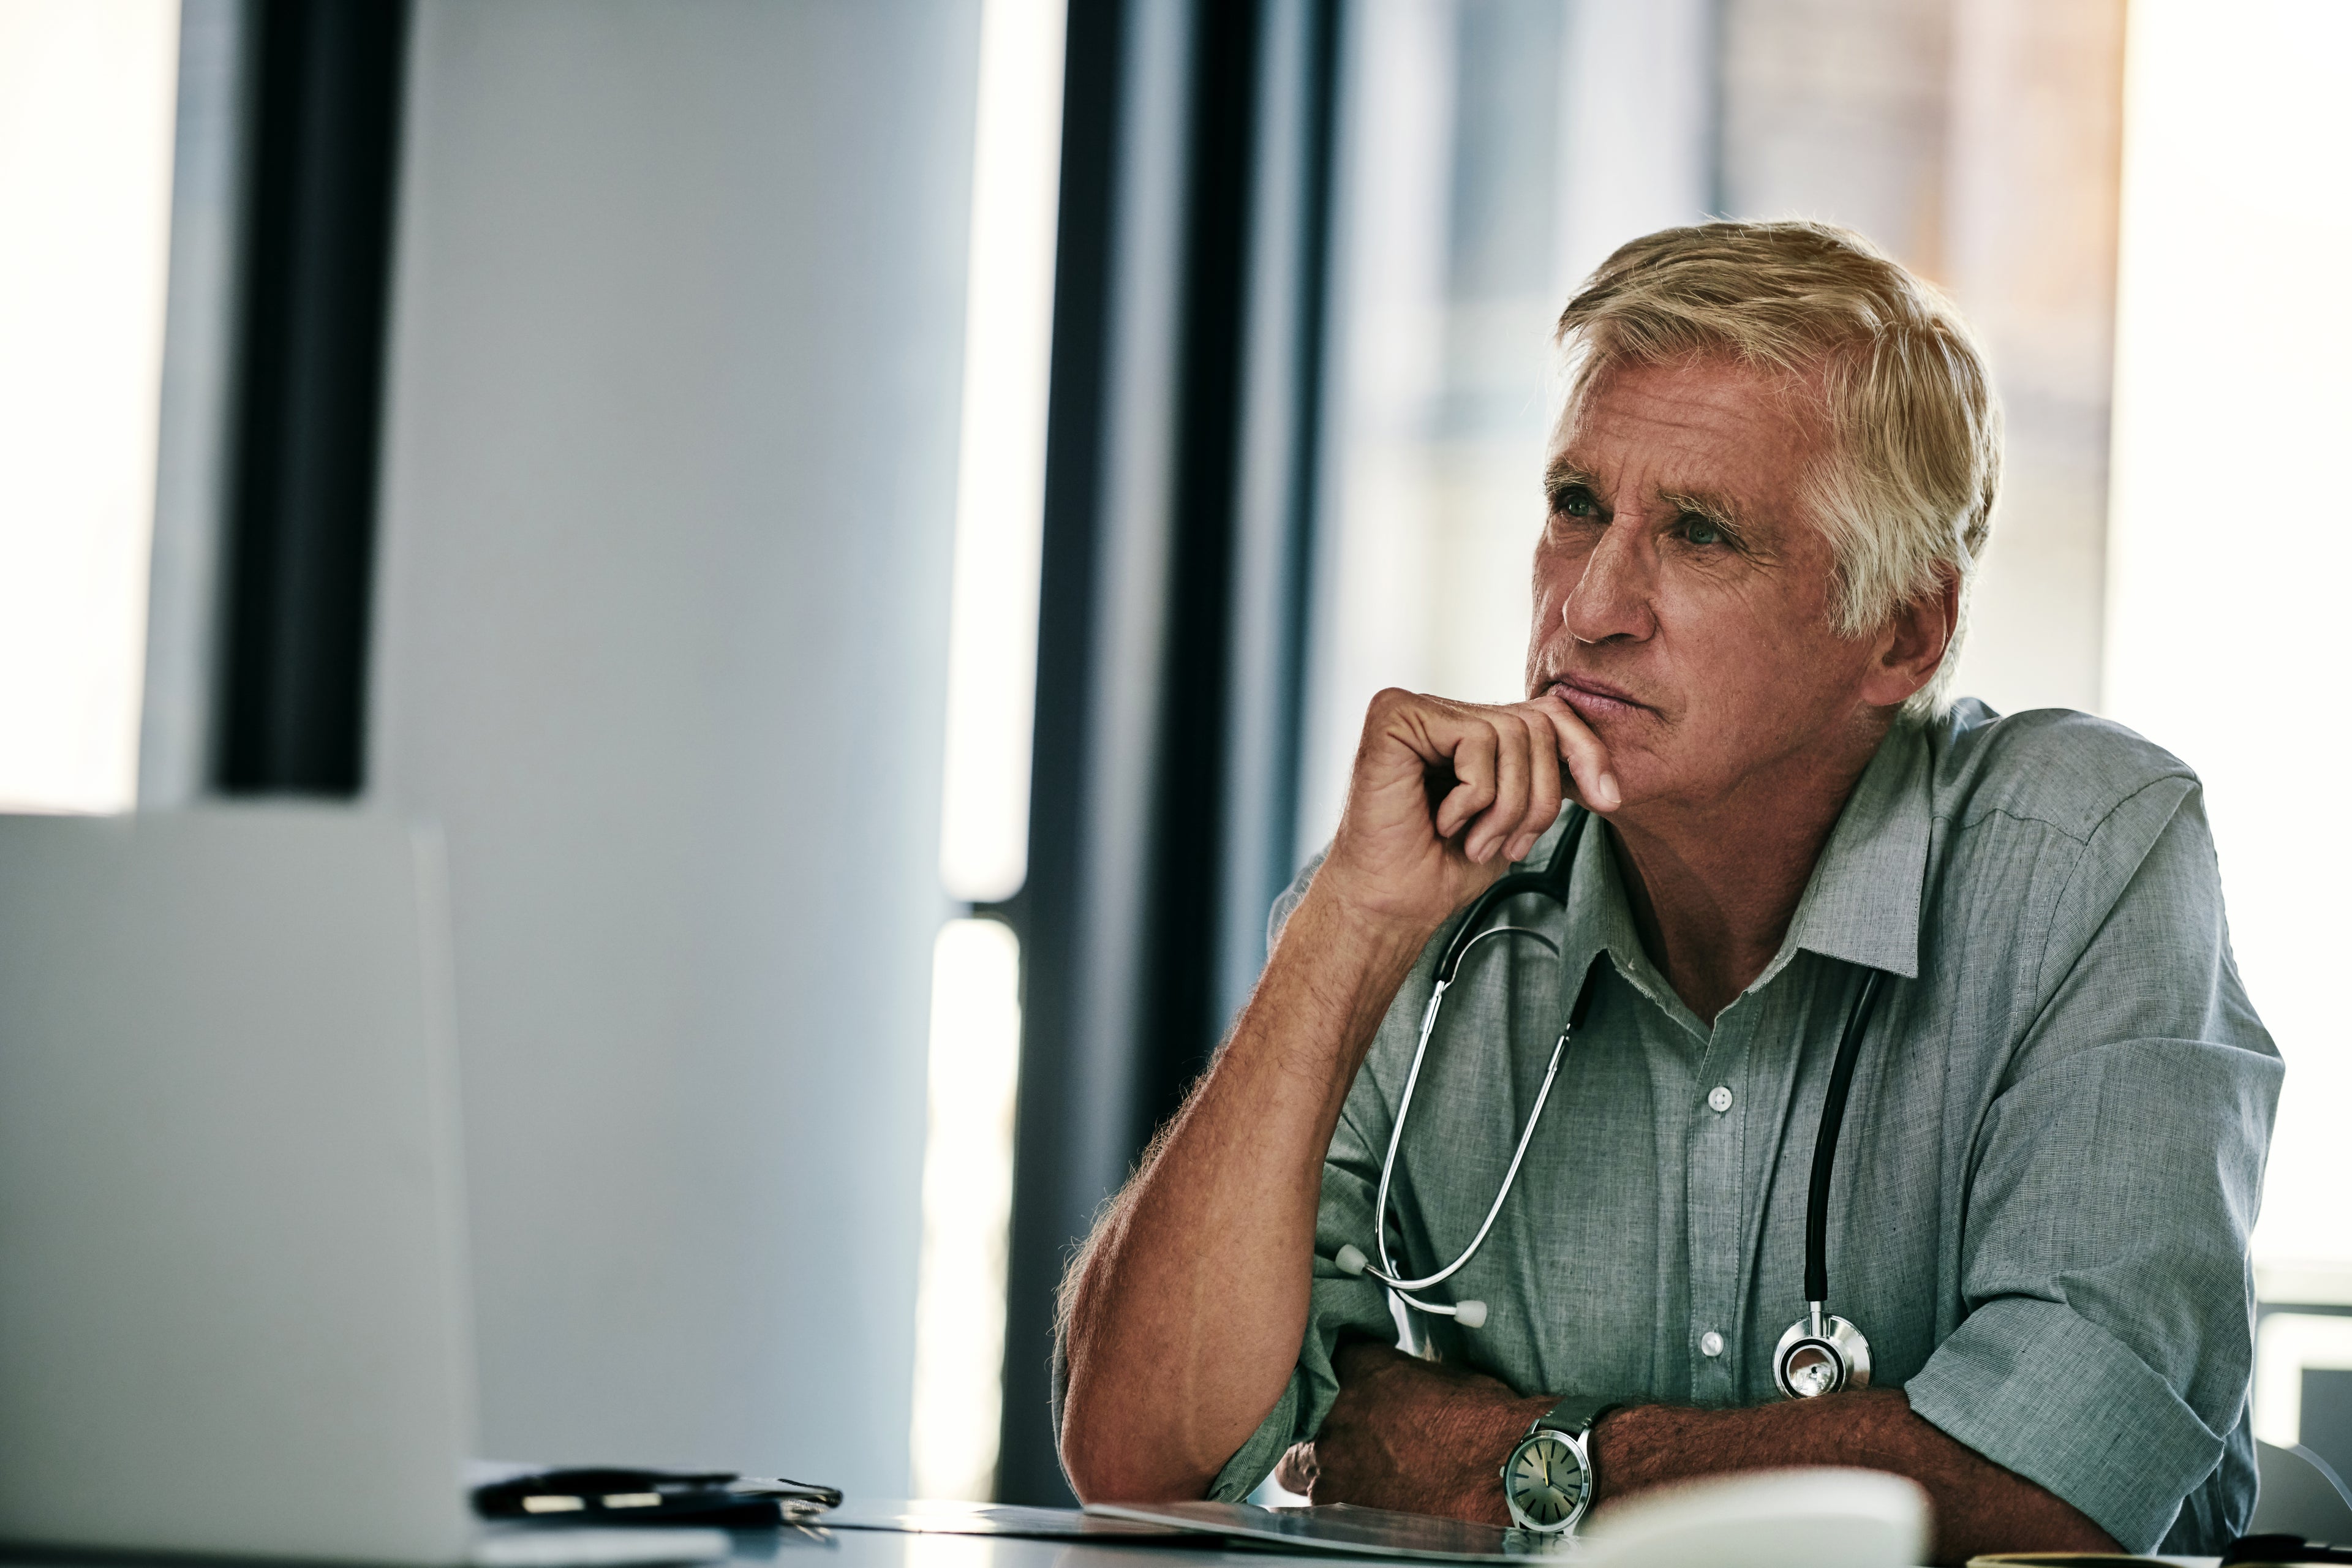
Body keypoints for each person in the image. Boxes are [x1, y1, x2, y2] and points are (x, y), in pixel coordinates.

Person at [1052, 221, 2281, 1566]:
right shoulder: (1434, 877)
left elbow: (2051, 1482)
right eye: (1577, 506)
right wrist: (1346, 927)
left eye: (1700, 534)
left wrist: (1498, 1455)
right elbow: (1137, 1456)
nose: (1587, 606)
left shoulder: (2083, 853)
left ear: (1904, 631)